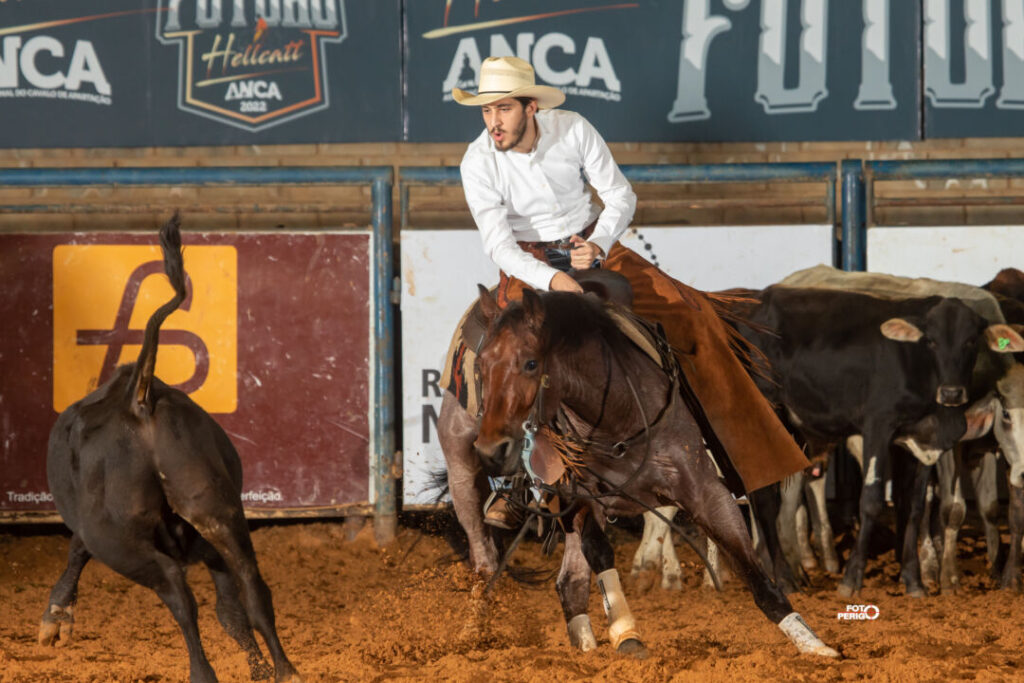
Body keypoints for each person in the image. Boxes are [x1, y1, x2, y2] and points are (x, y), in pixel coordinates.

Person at [452, 55, 807, 505]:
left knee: (693, 317)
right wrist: (553, 280)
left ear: (531, 108)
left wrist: (598, 244)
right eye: (486, 110)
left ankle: (731, 458)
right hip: (527, 260)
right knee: (515, 352)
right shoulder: (478, 160)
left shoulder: (574, 128)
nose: (493, 122)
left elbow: (619, 194)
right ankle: (517, 483)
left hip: (593, 245)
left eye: (503, 109)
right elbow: (500, 245)